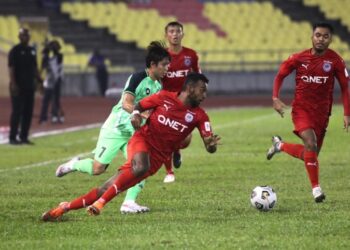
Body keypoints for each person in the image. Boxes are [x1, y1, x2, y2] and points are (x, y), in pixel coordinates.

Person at [42, 72, 220, 221]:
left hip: (156, 159)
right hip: (141, 140)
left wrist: (211, 145)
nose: (205, 95)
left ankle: (63, 208)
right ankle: (101, 204)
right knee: (140, 166)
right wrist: (135, 114)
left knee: (107, 186)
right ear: (189, 88)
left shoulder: (200, 116)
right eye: (202, 90)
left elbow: (209, 144)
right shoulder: (164, 97)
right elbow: (139, 104)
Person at [55, 41, 170, 213]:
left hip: (134, 132)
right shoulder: (138, 78)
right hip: (116, 128)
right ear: (153, 65)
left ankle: (129, 203)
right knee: (98, 168)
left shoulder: (159, 85)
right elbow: (126, 103)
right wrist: (139, 113)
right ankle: (73, 165)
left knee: (140, 166)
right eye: (164, 65)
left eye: (168, 64)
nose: (167, 68)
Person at [266, 22, 350, 203]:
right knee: (310, 142)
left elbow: (344, 87)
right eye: (318, 35)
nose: (321, 39)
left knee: (310, 154)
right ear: (312, 37)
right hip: (301, 110)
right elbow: (280, 75)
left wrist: (346, 113)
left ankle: (280, 146)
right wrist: (275, 98)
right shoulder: (298, 58)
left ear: (331, 39)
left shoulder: (335, 61)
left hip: (322, 114)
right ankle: (316, 190)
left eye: (325, 36)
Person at [161, 21, 201, 183]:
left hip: (186, 102)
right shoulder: (161, 55)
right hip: (166, 101)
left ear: (183, 34)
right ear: (166, 35)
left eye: (178, 31)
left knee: (185, 140)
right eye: (171, 31)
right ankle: (169, 172)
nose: (175, 34)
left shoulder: (191, 55)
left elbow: (198, 76)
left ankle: (177, 151)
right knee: (165, 137)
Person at [8, 28, 42, 145]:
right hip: (18, 86)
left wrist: (40, 81)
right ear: (19, 36)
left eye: (27, 35)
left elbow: (34, 68)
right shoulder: (15, 51)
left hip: (29, 86)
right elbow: (11, 69)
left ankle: (24, 137)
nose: (25, 37)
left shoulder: (32, 50)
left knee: (28, 112)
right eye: (23, 35)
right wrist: (13, 84)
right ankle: (12, 137)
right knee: (17, 112)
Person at [39, 40, 65, 124]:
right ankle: (43, 117)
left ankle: (55, 115)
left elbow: (54, 61)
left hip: (57, 80)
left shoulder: (59, 56)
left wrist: (48, 49)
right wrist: (46, 50)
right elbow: (43, 67)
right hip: (49, 81)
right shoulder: (46, 57)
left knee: (55, 99)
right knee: (46, 100)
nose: (54, 48)